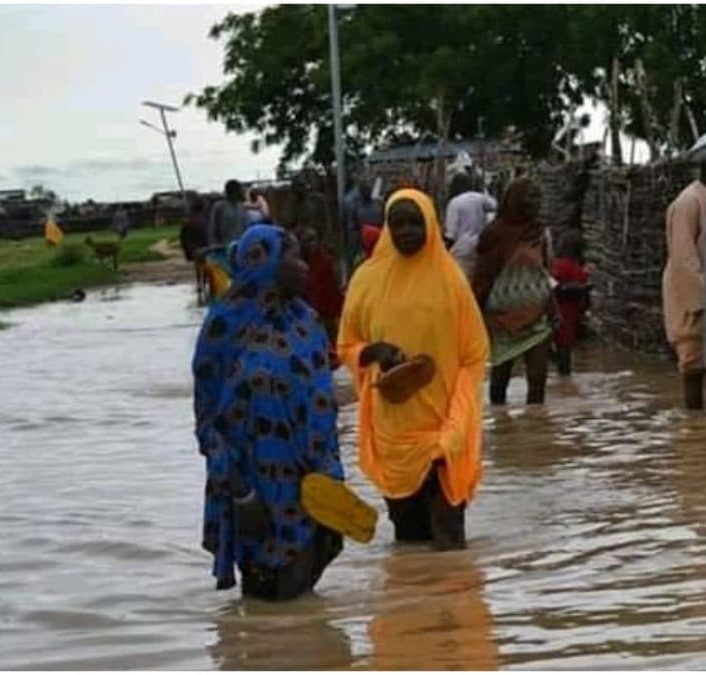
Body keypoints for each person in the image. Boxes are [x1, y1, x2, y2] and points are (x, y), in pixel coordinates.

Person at [191, 225, 346, 600]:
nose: (303, 265)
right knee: (268, 596)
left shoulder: (307, 323)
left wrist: (331, 481)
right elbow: (209, 423)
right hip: (256, 491)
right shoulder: (223, 329)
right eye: (291, 256)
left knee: (302, 604)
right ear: (265, 264)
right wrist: (241, 494)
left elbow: (323, 402)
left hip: (311, 482)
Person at [337, 189, 488, 551]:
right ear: (386, 227)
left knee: (450, 543)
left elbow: (474, 354)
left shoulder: (451, 281)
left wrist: (456, 424)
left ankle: (455, 604)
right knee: (408, 544)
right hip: (394, 430)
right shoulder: (366, 281)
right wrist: (374, 352)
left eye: (414, 223)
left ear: (432, 225)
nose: (406, 231)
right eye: (397, 223)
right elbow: (346, 345)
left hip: (444, 425)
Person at [663, 132, 706, 410]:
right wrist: (704, 301)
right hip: (691, 295)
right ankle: (694, 430)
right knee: (693, 367)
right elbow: (683, 259)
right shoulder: (687, 203)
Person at [472, 177, 556, 406]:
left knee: (538, 380)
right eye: (531, 197)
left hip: (538, 317)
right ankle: (502, 430)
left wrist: (553, 309)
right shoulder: (494, 234)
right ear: (516, 200)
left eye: (539, 197)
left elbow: (546, 274)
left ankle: (535, 434)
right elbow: (483, 276)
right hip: (501, 319)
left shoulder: (540, 233)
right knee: (500, 381)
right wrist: (475, 314)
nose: (537, 203)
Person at [550, 229, 591, 377]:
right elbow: (584, 294)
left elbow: (550, 285)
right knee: (564, 348)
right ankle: (564, 377)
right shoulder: (578, 269)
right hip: (568, 313)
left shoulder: (555, 264)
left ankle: (557, 366)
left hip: (550, 310)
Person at [295, 225, 344, 348]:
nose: (313, 244)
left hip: (326, 318)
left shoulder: (325, 262)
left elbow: (333, 291)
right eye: (308, 240)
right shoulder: (295, 267)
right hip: (305, 319)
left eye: (315, 239)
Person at [444, 171, 498, 277]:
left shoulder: (454, 203)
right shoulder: (480, 198)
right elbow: (496, 206)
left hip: (462, 251)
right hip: (480, 246)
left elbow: (451, 234)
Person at [343, 170, 385, 264]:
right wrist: (357, 248)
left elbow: (384, 222)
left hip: (380, 241)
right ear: (360, 191)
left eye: (368, 188)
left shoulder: (379, 204)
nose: (367, 190)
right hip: (363, 245)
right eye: (364, 188)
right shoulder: (355, 206)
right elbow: (352, 228)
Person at [207, 180, 249, 247]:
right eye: (240, 190)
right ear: (234, 191)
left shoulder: (242, 207)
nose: (243, 192)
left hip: (240, 247)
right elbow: (212, 229)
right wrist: (214, 245)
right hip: (223, 248)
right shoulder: (219, 207)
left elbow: (246, 228)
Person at [181, 197, 209, 262]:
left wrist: (187, 254)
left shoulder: (188, 220)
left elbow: (183, 239)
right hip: (207, 250)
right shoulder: (207, 218)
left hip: (194, 251)